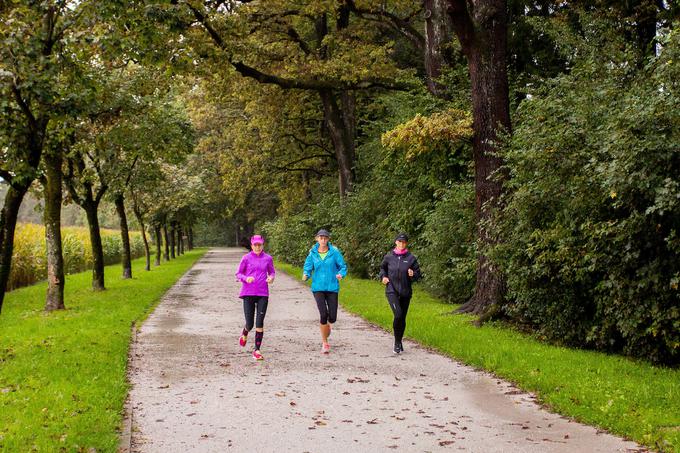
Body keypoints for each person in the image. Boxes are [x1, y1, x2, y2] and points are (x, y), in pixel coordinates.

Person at [302, 229, 347, 354]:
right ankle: (325, 342)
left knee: (332, 318)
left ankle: (327, 327)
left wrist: (340, 274)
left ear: (328, 239)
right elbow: (308, 266)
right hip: (318, 288)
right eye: (321, 238)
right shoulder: (312, 253)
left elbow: (342, 266)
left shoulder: (334, 252)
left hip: (332, 287)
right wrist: (306, 274)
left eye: (325, 238)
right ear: (317, 239)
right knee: (323, 314)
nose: (323, 240)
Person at [379, 233, 422, 354]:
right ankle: (397, 343)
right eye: (399, 242)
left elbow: (418, 274)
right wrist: (383, 277)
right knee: (397, 314)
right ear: (395, 242)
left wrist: (413, 274)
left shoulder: (411, 258)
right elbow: (383, 269)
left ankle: (399, 340)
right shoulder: (389, 257)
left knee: (402, 318)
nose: (401, 244)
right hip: (391, 290)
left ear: (406, 243)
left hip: (405, 292)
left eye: (404, 242)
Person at [235, 235, 275, 360]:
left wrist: (271, 278)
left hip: (263, 293)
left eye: (260, 245)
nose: (258, 247)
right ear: (252, 246)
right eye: (255, 245)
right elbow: (238, 274)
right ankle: (245, 331)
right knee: (250, 323)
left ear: (263, 245)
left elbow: (272, 272)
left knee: (259, 322)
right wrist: (246, 278)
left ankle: (257, 350)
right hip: (248, 293)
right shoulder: (246, 258)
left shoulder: (268, 258)